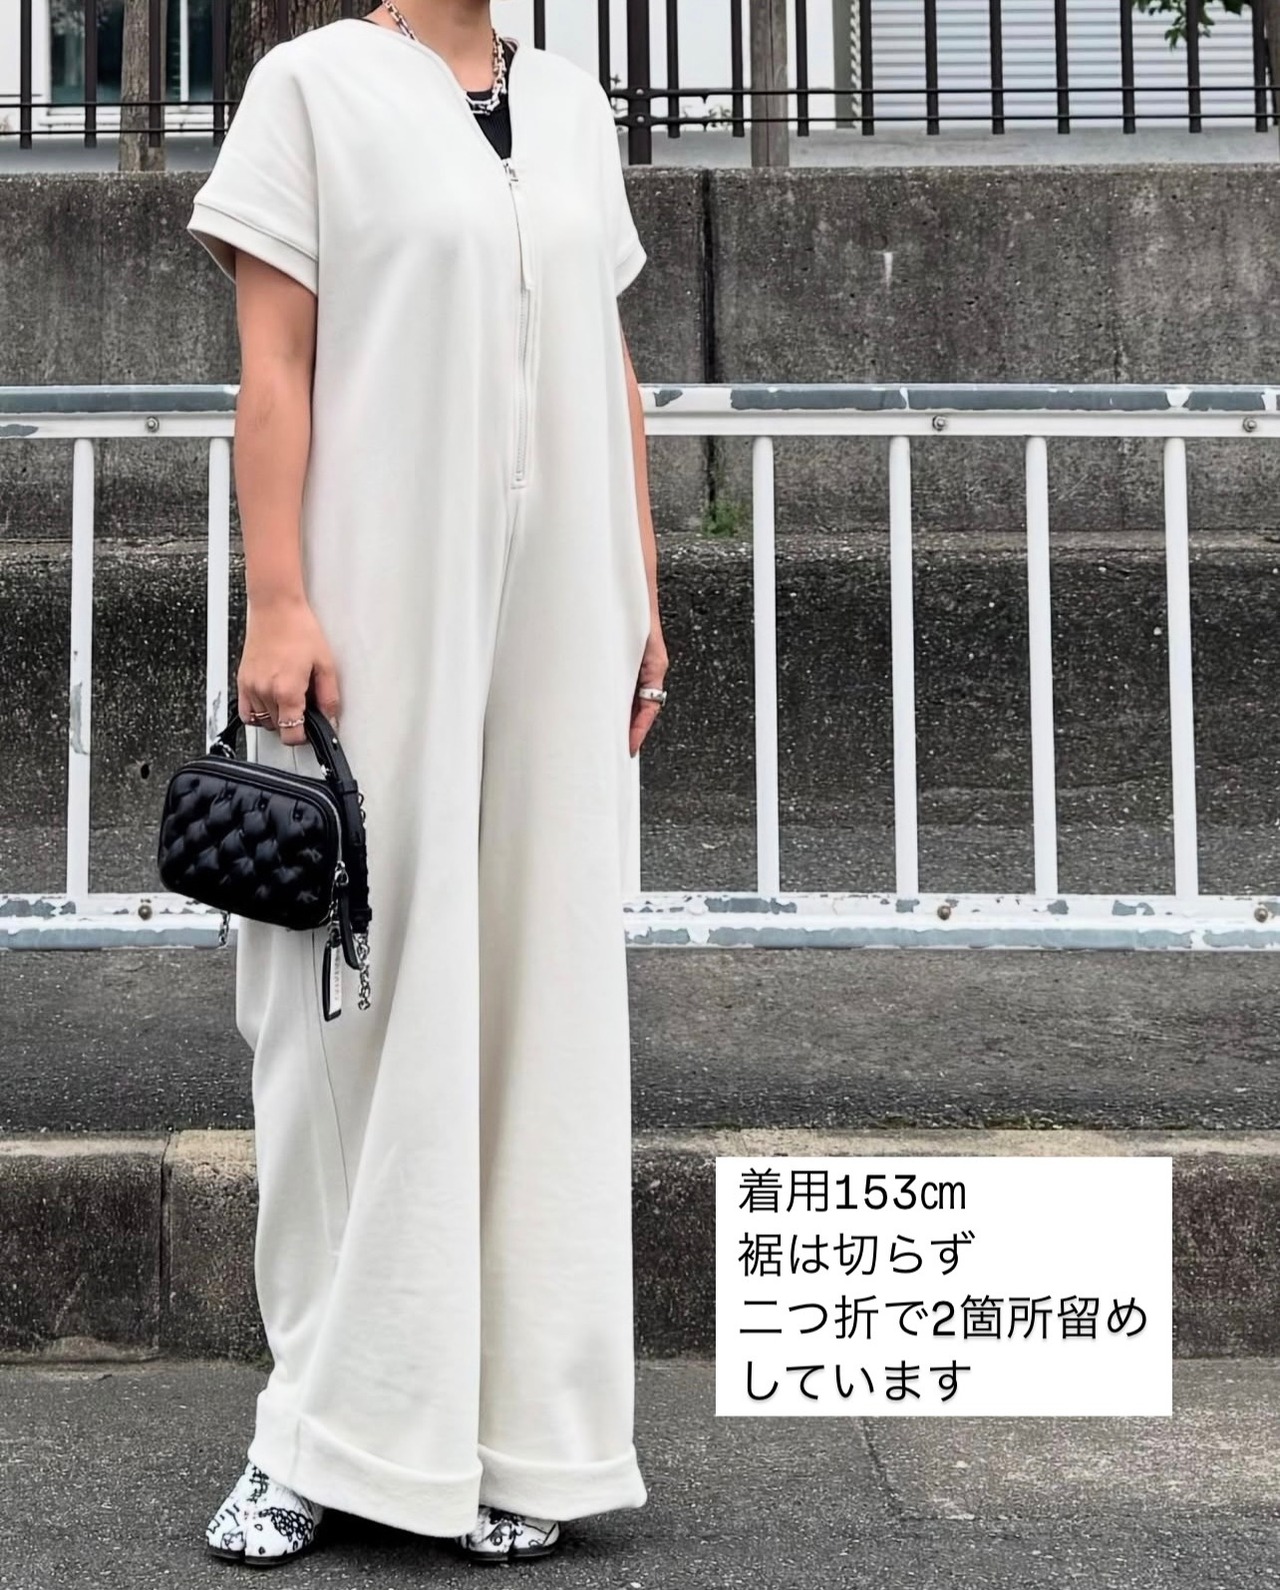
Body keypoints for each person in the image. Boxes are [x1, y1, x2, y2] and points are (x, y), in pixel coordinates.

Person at [186, 0, 667, 1567]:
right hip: (372, 605)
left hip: (561, 610)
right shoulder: (310, 89)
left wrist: (642, 589)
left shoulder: (576, 110)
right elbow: (274, 367)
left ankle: (529, 1431)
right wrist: (277, 598)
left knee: (542, 994)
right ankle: (319, 1430)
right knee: (349, 1006)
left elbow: (606, 364)